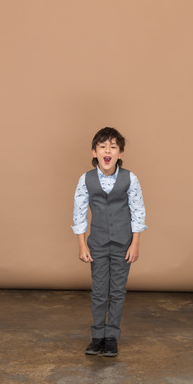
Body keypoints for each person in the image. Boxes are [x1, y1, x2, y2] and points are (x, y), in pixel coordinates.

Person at [72, 127, 147, 357]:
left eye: (113, 147)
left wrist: (135, 244)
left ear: (120, 154)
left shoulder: (129, 178)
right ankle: (97, 337)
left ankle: (112, 336)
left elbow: (138, 211)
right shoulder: (86, 179)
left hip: (123, 244)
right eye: (103, 147)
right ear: (94, 152)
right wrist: (82, 244)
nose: (108, 151)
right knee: (98, 290)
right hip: (98, 244)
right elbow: (79, 211)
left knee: (117, 290)